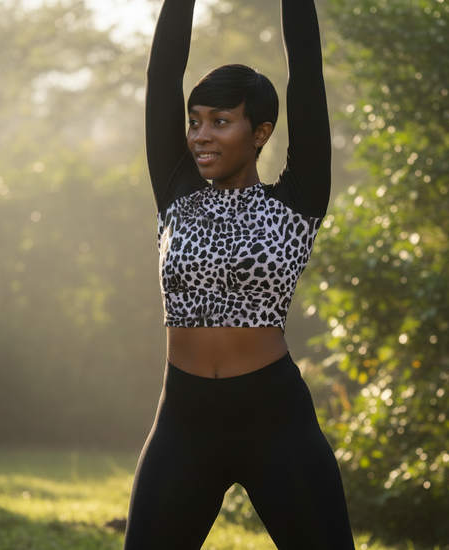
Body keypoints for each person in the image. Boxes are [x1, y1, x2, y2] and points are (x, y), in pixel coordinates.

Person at [123, 0, 355, 548]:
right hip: (183, 421)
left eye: (221, 121)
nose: (200, 135)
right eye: (195, 120)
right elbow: (162, 75)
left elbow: (306, 71)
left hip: (275, 421)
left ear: (261, 132)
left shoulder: (297, 202)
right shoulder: (176, 192)